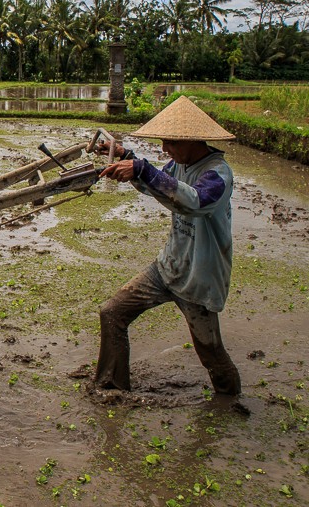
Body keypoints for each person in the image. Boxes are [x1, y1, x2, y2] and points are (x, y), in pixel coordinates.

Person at [93, 95, 241, 396]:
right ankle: (112, 387)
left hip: (199, 278)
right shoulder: (180, 163)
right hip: (168, 267)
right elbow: (159, 183)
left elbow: (193, 202)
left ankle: (230, 401)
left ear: (193, 140)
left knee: (211, 354)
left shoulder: (218, 174)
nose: (165, 150)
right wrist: (127, 157)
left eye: (171, 143)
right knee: (112, 312)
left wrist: (142, 169)